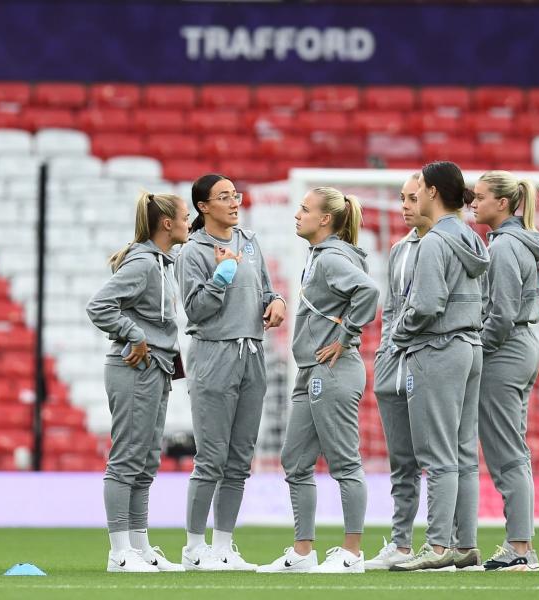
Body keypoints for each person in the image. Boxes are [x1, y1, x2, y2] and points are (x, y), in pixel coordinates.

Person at [256, 187, 379, 574]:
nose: (297, 214)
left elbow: (368, 291)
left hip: (332, 370)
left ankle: (353, 553)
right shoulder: (319, 256)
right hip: (311, 368)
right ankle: (303, 551)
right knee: (295, 459)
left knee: (344, 461)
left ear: (325, 219)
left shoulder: (330, 258)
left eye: (305, 209)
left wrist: (344, 338)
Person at [176, 174, 286, 571]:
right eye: (224, 197)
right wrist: (221, 276)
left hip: (252, 353)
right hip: (214, 354)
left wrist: (277, 303)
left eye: (235, 195)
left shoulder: (249, 241)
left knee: (240, 459)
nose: (234, 202)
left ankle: (223, 545)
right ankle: (193, 547)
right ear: (204, 207)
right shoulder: (193, 251)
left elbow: (267, 290)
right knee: (211, 458)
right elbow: (197, 310)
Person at [388, 161, 488, 572]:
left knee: (440, 451)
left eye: (421, 189)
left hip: (439, 347)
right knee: (463, 451)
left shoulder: (433, 242)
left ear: (432, 192)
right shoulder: (471, 238)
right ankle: (465, 543)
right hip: (470, 345)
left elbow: (427, 304)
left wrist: (399, 331)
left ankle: (438, 544)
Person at [86, 191, 190, 573]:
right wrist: (134, 333)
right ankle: (119, 552)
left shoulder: (162, 264)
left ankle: (140, 546)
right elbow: (99, 306)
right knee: (127, 457)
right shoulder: (145, 264)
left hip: (156, 367)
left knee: (146, 459)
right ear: (167, 223)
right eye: (184, 216)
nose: (189, 222)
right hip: (134, 368)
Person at [472, 171, 539, 572]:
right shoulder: (523, 243)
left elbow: (499, 314)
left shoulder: (502, 248)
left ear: (502, 203)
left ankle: (520, 546)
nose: (473, 202)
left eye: (481, 197)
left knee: (506, 453)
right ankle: (522, 541)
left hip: (504, 351)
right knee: (514, 450)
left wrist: (476, 352)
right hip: (523, 346)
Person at [365, 174, 430, 570]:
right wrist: (387, 348)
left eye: (411, 198)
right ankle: (402, 542)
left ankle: (449, 542)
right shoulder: (399, 249)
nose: (404, 205)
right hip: (394, 359)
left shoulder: (443, 245)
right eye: (401, 198)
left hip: (429, 358)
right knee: (401, 460)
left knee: (439, 458)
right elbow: (392, 307)